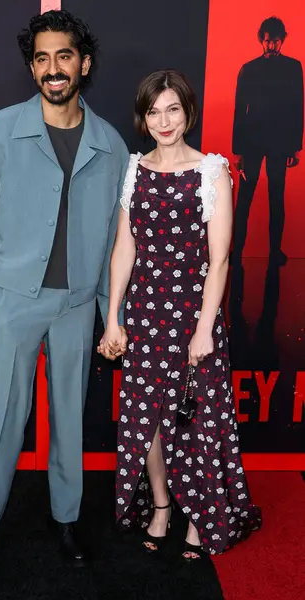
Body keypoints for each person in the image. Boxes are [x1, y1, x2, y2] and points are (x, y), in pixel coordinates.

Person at [0, 9, 129, 589]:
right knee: (1, 419)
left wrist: (111, 314)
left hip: (79, 304)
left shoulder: (110, 144)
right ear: (31, 67)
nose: (52, 69)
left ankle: (66, 521)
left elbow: (114, 240)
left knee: (69, 425)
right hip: (15, 300)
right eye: (41, 58)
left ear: (83, 62)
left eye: (63, 56)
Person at [98, 70, 262, 559]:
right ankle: (164, 506)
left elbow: (221, 258)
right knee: (145, 419)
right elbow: (124, 248)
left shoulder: (212, 170)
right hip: (145, 312)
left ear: (188, 111)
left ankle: (200, 514)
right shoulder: (135, 169)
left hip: (194, 314)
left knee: (195, 418)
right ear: (143, 118)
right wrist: (113, 318)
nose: (163, 121)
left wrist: (205, 329)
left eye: (172, 109)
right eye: (153, 111)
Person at [231, 16, 303, 266]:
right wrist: (238, 151)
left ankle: (275, 251)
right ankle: (236, 251)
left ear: (283, 40)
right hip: (251, 141)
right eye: (267, 41)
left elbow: (297, 108)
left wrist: (295, 146)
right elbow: (240, 110)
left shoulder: (294, 67)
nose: (271, 46)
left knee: (276, 196)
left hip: (280, 142)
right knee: (245, 198)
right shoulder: (248, 68)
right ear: (261, 40)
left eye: (276, 42)